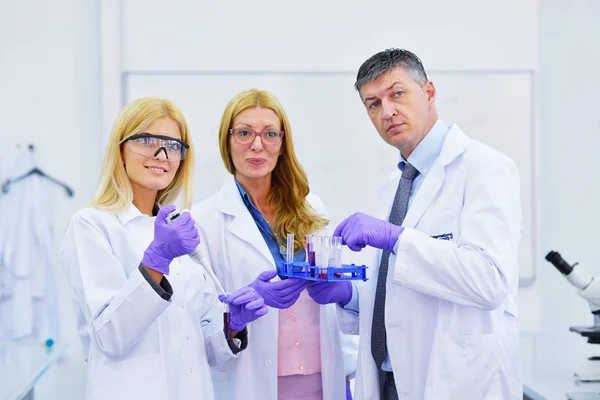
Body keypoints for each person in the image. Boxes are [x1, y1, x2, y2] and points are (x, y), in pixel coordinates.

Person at [317, 48, 523, 399]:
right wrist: (349, 296)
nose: (388, 111)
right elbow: (397, 294)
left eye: (397, 93)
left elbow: (490, 282)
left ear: (428, 92)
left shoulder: (485, 168)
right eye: (373, 104)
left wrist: (397, 238)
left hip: (455, 383)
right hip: (389, 383)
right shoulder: (393, 187)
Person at [59, 97, 267, 400]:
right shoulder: (91, 226)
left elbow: (200, 347)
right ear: (121, 147)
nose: (161, 154)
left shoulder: (180, 228)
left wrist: (231, 325)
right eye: (146, 140)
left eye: (172, 145)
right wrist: (156, 261)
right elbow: (110, 337)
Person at [191, 89, 359, 400]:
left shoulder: (312, 208)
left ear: (282, 144)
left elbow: (331, 297)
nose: (257, 145)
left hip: (323, 380)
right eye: (244, 133)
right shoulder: (204, 220)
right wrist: (235, 316)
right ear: (227, 142)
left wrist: (349, 369)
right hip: (251, 382)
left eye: (270, 134)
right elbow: (198, 319)